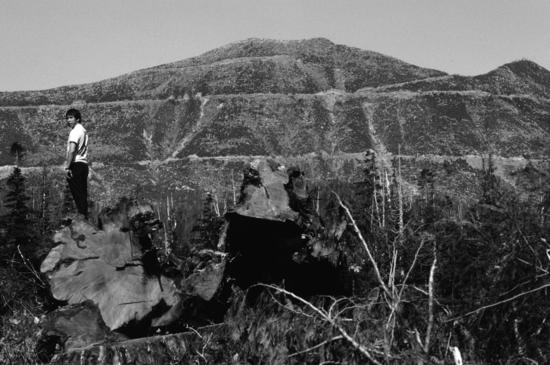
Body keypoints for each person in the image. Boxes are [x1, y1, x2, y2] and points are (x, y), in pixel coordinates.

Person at [63, 108, 89, 219]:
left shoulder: (75, 132)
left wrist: (67, 167)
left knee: (77, 193)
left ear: (77, 119)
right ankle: (84, 215)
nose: (69, 120)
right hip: (84, 165)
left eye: (71, 118)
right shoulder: (84, 131)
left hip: (76, 164)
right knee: (82, 193)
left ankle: (82, 217)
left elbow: (72, 150)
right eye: (67, 118)